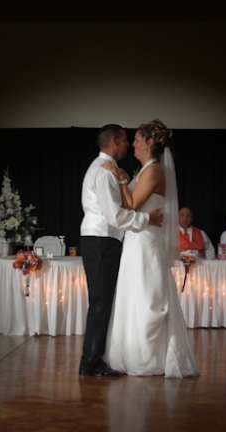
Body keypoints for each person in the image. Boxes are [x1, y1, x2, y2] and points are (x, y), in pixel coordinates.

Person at [102, 119, 199, 378]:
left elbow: (132, 204)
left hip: (146, 242)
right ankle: (132, 351)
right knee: (134, 292)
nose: (132, 143)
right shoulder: (145, 169)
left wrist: (122, 181)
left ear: (149, 143)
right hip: (137, 238)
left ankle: (149, 357)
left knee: (147, 295)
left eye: (136, 139)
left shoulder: (154, 171)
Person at [79, 124, 164, 377]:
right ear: (115, 141)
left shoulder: (107, 169)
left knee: (101, 302)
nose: (128, 145)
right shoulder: (104, 172)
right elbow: (115, 216)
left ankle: (93, 360)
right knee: (100, 303)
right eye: (126, 140)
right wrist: (147, 220)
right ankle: (91, 362)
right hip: (102, 240)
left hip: (100, 239)